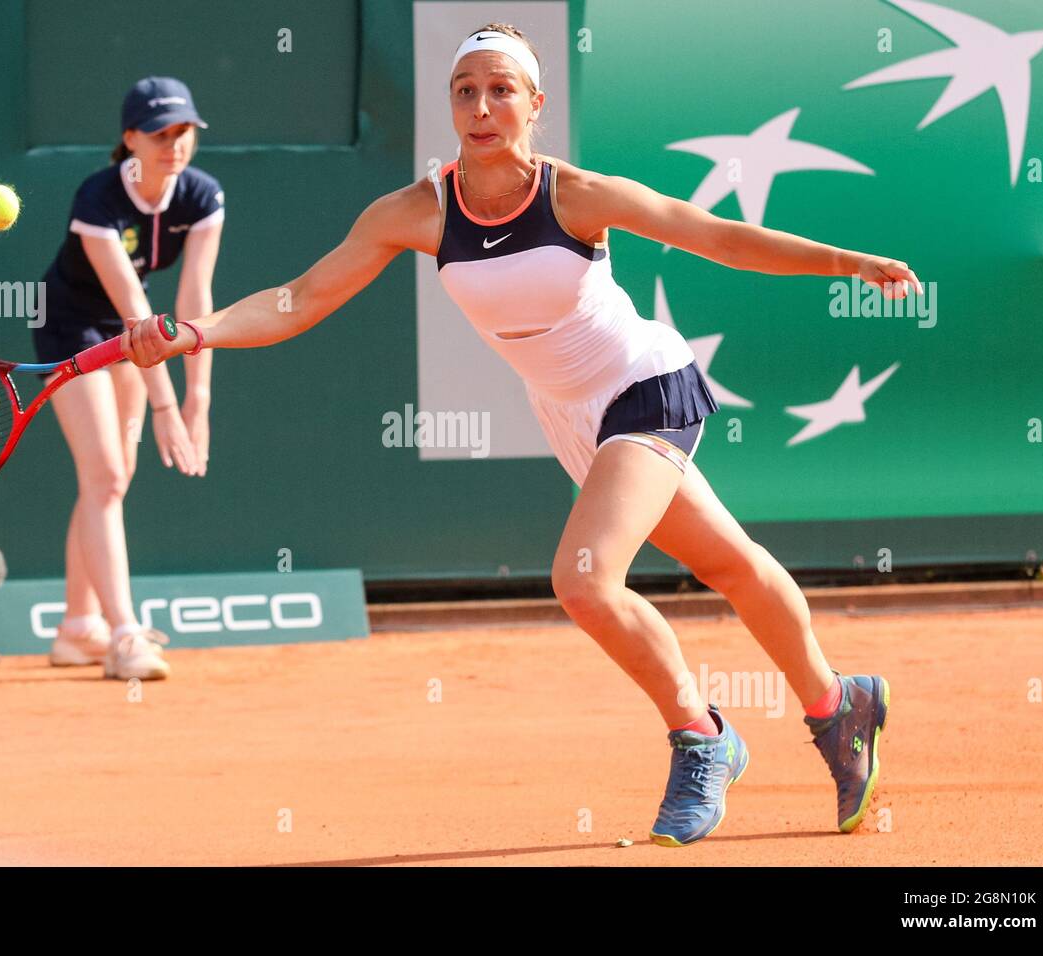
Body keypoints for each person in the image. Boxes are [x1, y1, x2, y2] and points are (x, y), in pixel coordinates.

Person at [123, 25, 912, 842]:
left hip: (646, 388)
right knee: (728, 564)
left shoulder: (577, 195)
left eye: (501, 89)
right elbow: (300, 298)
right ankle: (840, 706)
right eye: (465, 90)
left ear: (535, 104)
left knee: (584, 580)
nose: (481, 106)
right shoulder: (415, 212)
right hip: (573, 417)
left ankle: (701, 736)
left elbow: (713, 235)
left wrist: (844, 262)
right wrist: (194, 332)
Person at [37, 76, 223, 681]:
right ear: (130, 139)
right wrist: (166, 409)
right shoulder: (97, 200)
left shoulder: (201, 198)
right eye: (159, 133)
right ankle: (122, 636)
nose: (174, 144)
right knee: (108, 475)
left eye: (183, 131)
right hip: (72, 326)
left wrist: (200, 400)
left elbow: (195, 302)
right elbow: (135, 314)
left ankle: (76, 629)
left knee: (109, 482)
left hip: (128, 336)